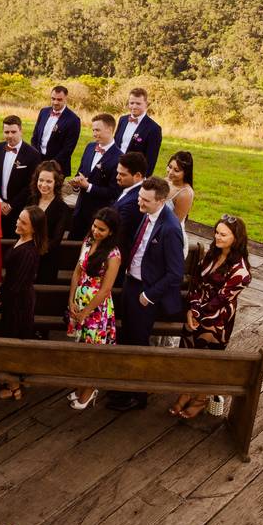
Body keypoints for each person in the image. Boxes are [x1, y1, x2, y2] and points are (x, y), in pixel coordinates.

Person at [107, 178, 185, 412]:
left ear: (161, 201)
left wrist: (149, 295)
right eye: (140, 196)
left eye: (145, 200)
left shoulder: (170, 229)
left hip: (146, 294)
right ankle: (123, 387)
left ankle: (137, 396)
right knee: (127, 337)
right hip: (131, 283)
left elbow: (175, 273)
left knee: (139, 344)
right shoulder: (146, 213)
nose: (139, 202)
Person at [170, 214, 253, 419]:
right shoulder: (211, 254)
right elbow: (197, 282)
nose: (218, 237)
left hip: (217, 319)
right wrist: (191, 309)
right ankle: (186, 391)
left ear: (236, 238)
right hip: (196, 310)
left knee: (206, 361)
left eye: (223, 234)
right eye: (216, 232)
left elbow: (221, 299)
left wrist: (197, 312)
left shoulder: (241, 271)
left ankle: (201, 398)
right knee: (189, 356)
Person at [66, 207, 122, 408]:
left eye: (102, 229)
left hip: (96, 309)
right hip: (80, 300)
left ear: (111, 232)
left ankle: (89, 389)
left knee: (93, 350)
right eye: (95, 226)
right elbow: (77, 272)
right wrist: (71, 299)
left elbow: (106, 289)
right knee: (81, 348)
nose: (96, 231)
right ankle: (82, 385)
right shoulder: (88, 241)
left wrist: (86, 312)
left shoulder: (113, 255)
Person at [0, 206, 47, 399]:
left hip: (19, 304)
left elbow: (18, 285)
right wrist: (1, 290)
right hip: (13, 298)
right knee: (9, 339)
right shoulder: (22, 239)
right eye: (18, 219)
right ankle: (10, 380)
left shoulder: (28, 252)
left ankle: (15, 387)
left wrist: (3, 295)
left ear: (34, 228)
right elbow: (12, 278)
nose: (18, 223)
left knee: (14, 342)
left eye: (24, 223)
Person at [67, 113, 123, 240]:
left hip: (98, 216)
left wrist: (89, 187)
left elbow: (114, 192)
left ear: (109, 130)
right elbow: (81, 172)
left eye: (97, 130)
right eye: (93, 130)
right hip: (79, 211)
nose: (94, 134)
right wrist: (77, 183)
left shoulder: (119, 157)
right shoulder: (90, 147)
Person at [0, 115, 40, 238]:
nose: (10, 135)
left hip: (19, 210)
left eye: (13, 132)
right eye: (6, 132)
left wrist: (11, 205)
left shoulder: (33, 154)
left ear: (21, 131)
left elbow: (31, 185)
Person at [30, 161, 71, 284]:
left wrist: (34, 252)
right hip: (27, 259)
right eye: (41, 180)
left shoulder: (62, 208)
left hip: (47, 260)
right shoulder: (31, 200)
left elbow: (56, 239)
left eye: (49, 181)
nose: (43, 185)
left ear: (56, 183)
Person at [30, 85, 82, 177]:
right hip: (38, 161)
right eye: (53, 99)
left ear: (66, 98)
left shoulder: (73, 120)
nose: (55, 102)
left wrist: (52, 164)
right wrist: (35, 156)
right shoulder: (43, 112)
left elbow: (68, 148)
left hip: (58, 166)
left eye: (59, 99)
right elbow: (35, 136)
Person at [113, 151, 149, 280]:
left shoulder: (135, 201)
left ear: (138, 175)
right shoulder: (130, 190)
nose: (117, 177)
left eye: (122, 174)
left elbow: (121, 235)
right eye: (118, 172)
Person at [114, 88, 163, 175]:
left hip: (133, 174)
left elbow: (151, 160)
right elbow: (116, 144)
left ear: (146, 104)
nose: (134, 106)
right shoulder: (123, 120)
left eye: (138, 103)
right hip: (115, 168)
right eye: (131, 103)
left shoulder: (154, 129)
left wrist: (143, 181)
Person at [165, 151, 195, 259]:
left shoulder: (185, 193)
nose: (170, 172)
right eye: (170, 167)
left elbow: (174, 223)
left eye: (176, 170)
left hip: (171, 237)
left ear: (185, 173)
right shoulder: (166, 182)